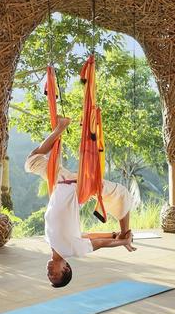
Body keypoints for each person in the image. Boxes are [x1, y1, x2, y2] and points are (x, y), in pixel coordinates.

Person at [25, 115, 137, 288]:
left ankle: (61, 127)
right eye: (54, 274)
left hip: (60, 181)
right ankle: (125, 232)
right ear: (66, 268)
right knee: (122, 195)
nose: (49, 272)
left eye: (48, 275)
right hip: (80, 189)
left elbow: (85, 235)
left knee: (32, 161)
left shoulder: (52, 242)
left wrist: (112, 235)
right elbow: (97, 243)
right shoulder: (72, 250)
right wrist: (121, 240)